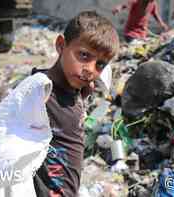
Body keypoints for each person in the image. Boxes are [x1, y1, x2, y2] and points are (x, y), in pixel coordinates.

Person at [33, 11, 120, 197]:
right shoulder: (41, 94)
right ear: (61, 45)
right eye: (84, 55)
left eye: (100, 65)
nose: (90, 70)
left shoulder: (75, 91)